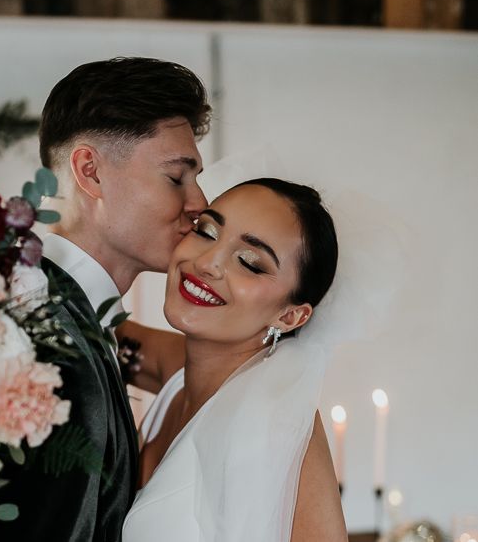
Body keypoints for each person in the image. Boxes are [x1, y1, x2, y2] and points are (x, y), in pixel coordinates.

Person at [0, 56, 211, 541]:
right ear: (90, 171)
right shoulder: (39, 347)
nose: (199, 202)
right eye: (176, 177)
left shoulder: (53, 313)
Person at [121, 179, 348, 541]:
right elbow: (83, 331)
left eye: (249, 262)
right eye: (207, 231)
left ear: (290, 317)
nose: (207, 262)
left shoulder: (274, 427)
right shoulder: (176, 367)